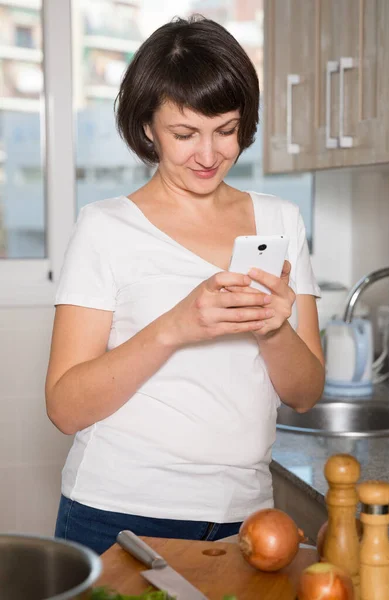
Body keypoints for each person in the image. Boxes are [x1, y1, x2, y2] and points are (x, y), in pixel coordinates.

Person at [46, 16, 325, 556]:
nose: (208, 155)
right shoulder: (104, 227)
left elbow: (305, 393)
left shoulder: (280, 222)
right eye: (184, 134)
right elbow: (64, 407)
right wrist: (176, 326)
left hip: (244, 521)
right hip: (116, 515)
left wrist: (273, 329)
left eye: (226, 130)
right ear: (147, 127)